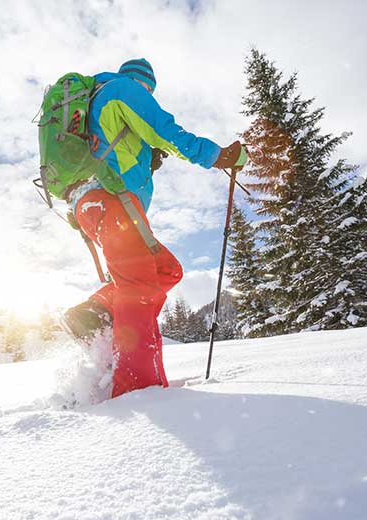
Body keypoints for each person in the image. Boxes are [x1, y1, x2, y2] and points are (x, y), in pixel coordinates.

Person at [60, 58, 247, 399]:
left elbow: (113, 151)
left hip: (99, 204)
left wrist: (147, 158)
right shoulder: (124, 89)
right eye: (150, 90)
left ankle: (97, 311)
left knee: (166, 270)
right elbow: (166, 131)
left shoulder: (97, 101)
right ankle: (139, 389)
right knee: (140, 288)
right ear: (145, 83)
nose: (149, 94)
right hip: (112, 202)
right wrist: (219, 156)